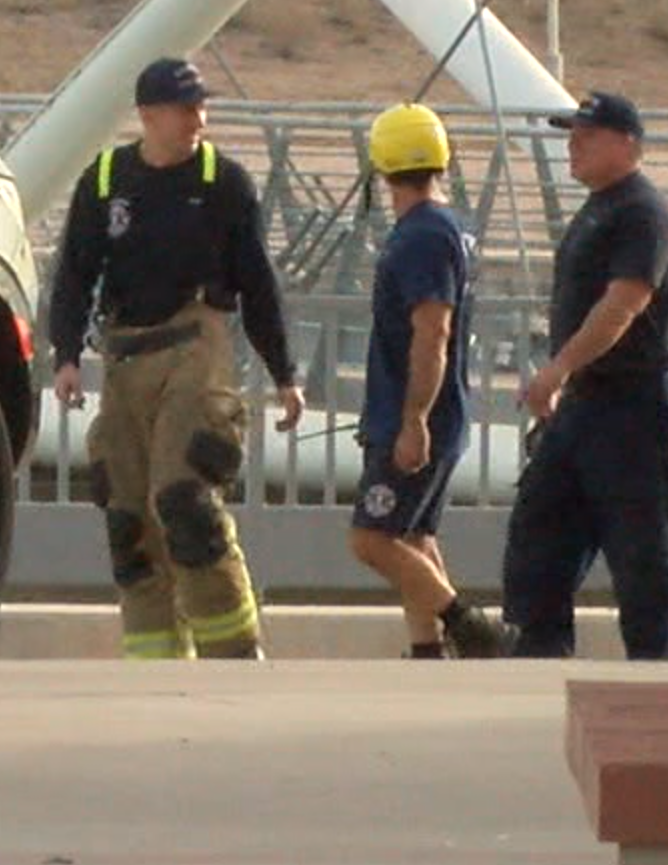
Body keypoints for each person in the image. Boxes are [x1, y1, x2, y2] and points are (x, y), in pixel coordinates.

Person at [48, 57, 305, 661]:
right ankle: (156, 663)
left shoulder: (222, 184)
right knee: (128, 520)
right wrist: (65, 355)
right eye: (186, 108)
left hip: (196, 349)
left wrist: (284, 373)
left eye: (201, 107)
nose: (199, 119)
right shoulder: (106, 180)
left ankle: (235, 651)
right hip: (125, 356)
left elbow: (258, 286)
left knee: (183, 498)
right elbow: (75, 276)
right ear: (149, 115)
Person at [502, 91, 668, 659]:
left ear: (627, 143)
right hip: (584, 403)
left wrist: (557, 369)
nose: (574, 145)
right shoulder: (597, 208)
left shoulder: (642, 212)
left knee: (642, 551)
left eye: (588, 134)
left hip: (632, 402)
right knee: (540, 530)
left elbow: (624, 303)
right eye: (571, 134)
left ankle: (654, 668)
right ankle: (539, 649)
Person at [348, 103, 507, 659]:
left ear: (382, 165)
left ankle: (470, 627)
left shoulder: (422, 236)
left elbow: (432, 330)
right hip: (431, 410)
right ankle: (426, 650)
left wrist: (412, 421)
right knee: (414, 536)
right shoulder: (451, 228)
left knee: (371, 538)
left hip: (417, 412)